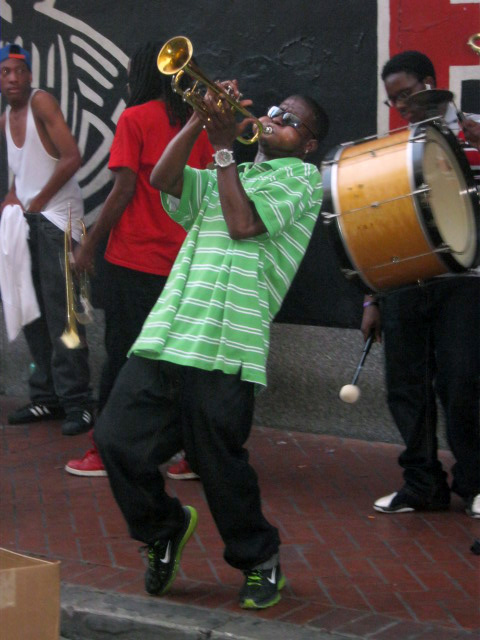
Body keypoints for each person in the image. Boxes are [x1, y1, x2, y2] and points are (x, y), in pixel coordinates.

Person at [95, 86, 328, 609]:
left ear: (309, 145)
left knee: (217, 462)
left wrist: (223, 150)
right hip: (169, 333)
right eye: (273, 111)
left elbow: (244, 225)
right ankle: (163, 529)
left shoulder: (303, 180)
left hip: (228, 342)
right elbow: (163, 179)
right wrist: (199, 120)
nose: (273, 119)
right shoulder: (235, 173)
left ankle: (258, 560)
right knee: (114, 440)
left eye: (290, 120)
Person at [64, 42, 213, 474]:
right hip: (185, 263)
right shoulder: (198, 123)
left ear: (145, 74)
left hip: (135, 263)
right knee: (183, 361)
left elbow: (124, 189)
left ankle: (104, 450)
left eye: (133, 72)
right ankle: (195, 454)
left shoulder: (134, 118)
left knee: (123, 356)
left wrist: (89, 244)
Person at [361, 51, 480, 519]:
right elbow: (378, 228)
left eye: (407, 95)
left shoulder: (474, 131)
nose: (402, 107)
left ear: (431, 84)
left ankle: (474, 482)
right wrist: (372, 296)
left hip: (466, 281)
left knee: (461, 383)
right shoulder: (394, 148)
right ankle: (421, 484)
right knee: (404, 386)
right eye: (394, 101)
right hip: (406, 279)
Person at [0, 43, 93, 436]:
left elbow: (72, 156)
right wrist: (12, 196)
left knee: (64, 314)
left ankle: (79, 403)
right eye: (5, 72)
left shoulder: (42, 103)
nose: (13, 78)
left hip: (58, 220)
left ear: (31, 76)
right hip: (28, 220)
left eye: (19, 70)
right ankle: (46, 399)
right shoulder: (5, 116)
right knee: (32, 311)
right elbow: (21, 172)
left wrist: (38, 199)